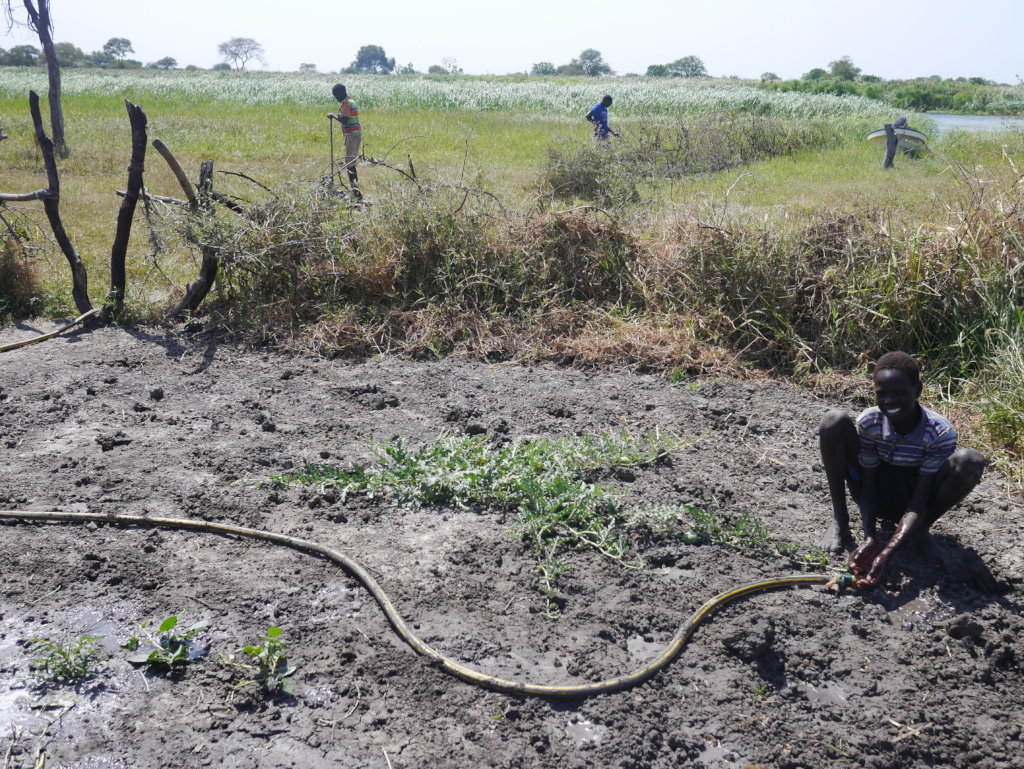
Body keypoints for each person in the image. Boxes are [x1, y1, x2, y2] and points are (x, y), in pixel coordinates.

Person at [818, 351, 985, 590]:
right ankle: (840, 520)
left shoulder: (939, 432)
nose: (889, 401)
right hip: (875, 491)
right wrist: (870, 538)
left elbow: (919, 500)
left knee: (970, 460)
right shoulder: (869, 422)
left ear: (917, 390)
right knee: (833, 421)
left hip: (915, 499)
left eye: (900, 393)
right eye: (881, 393)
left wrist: (886, 553)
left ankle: (920, 530)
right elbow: (868, 485)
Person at [329, 83, 362, 199]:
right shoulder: (349, 101)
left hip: (353, 135)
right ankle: (355, 191)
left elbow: (344, 120)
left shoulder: (347, 103)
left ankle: (356, 193)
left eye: (335, 95)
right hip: (352, 134)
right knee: (349, 163)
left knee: (349, 164)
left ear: (340, 93)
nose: (336, 98)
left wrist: (333, 115)